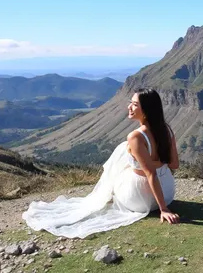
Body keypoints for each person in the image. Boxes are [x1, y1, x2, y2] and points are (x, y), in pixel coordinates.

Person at [22, 88, 180, 238]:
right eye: (130, 102)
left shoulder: (136, 137)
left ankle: (112, 194)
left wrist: (163, 210)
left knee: (123, 162)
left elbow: (150, 173)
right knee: (125, 155)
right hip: (167, 193)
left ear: (147, 110)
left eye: (135, 104)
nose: (129, 107)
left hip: (140, 200)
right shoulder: (167, 130)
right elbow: (174, 165)